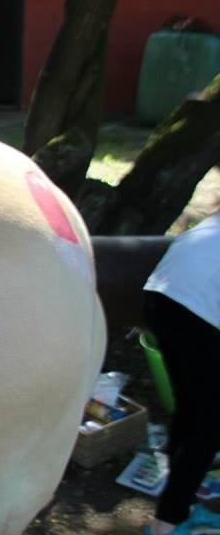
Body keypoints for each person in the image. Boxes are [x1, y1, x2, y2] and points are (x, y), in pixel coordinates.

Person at [143, 212, 220, 535]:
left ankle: (178, 491)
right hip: (196, 306)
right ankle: (168, 521)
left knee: (191, 406)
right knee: (210, 423)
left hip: (160, 295)